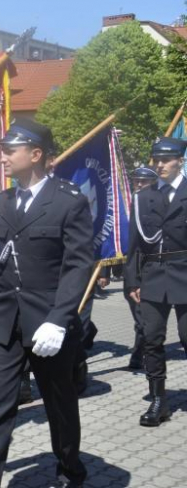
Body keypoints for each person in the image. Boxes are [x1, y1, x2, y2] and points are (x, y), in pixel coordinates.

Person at [0, 119, 92, 488]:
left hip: (48, 323)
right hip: (3, 321)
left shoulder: (69, 201)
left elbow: (77, 266)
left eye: (10, 149)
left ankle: (70, 469)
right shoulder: (0, 203)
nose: (2, 156)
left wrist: (61, 319)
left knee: (59, 405)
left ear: (36, 154)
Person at [125, 138, 187, 427]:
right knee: (151, 339)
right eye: (156, 160)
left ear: (180, 161)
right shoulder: (143, 198)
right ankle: (158, 399)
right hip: (152, 274)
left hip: (185, 272)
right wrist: (132, 280)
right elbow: (135, 245)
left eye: (167, 159)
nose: (160, 165)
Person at [121, 166, 157, 370]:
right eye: (136, 181)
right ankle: (141, 352)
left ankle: (140, 355)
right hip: (129, 272)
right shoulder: (124, 204)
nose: (139, 185)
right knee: (140, 316)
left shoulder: (153, 206)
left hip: (146, 269)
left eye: (144, 181)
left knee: (144, 318)